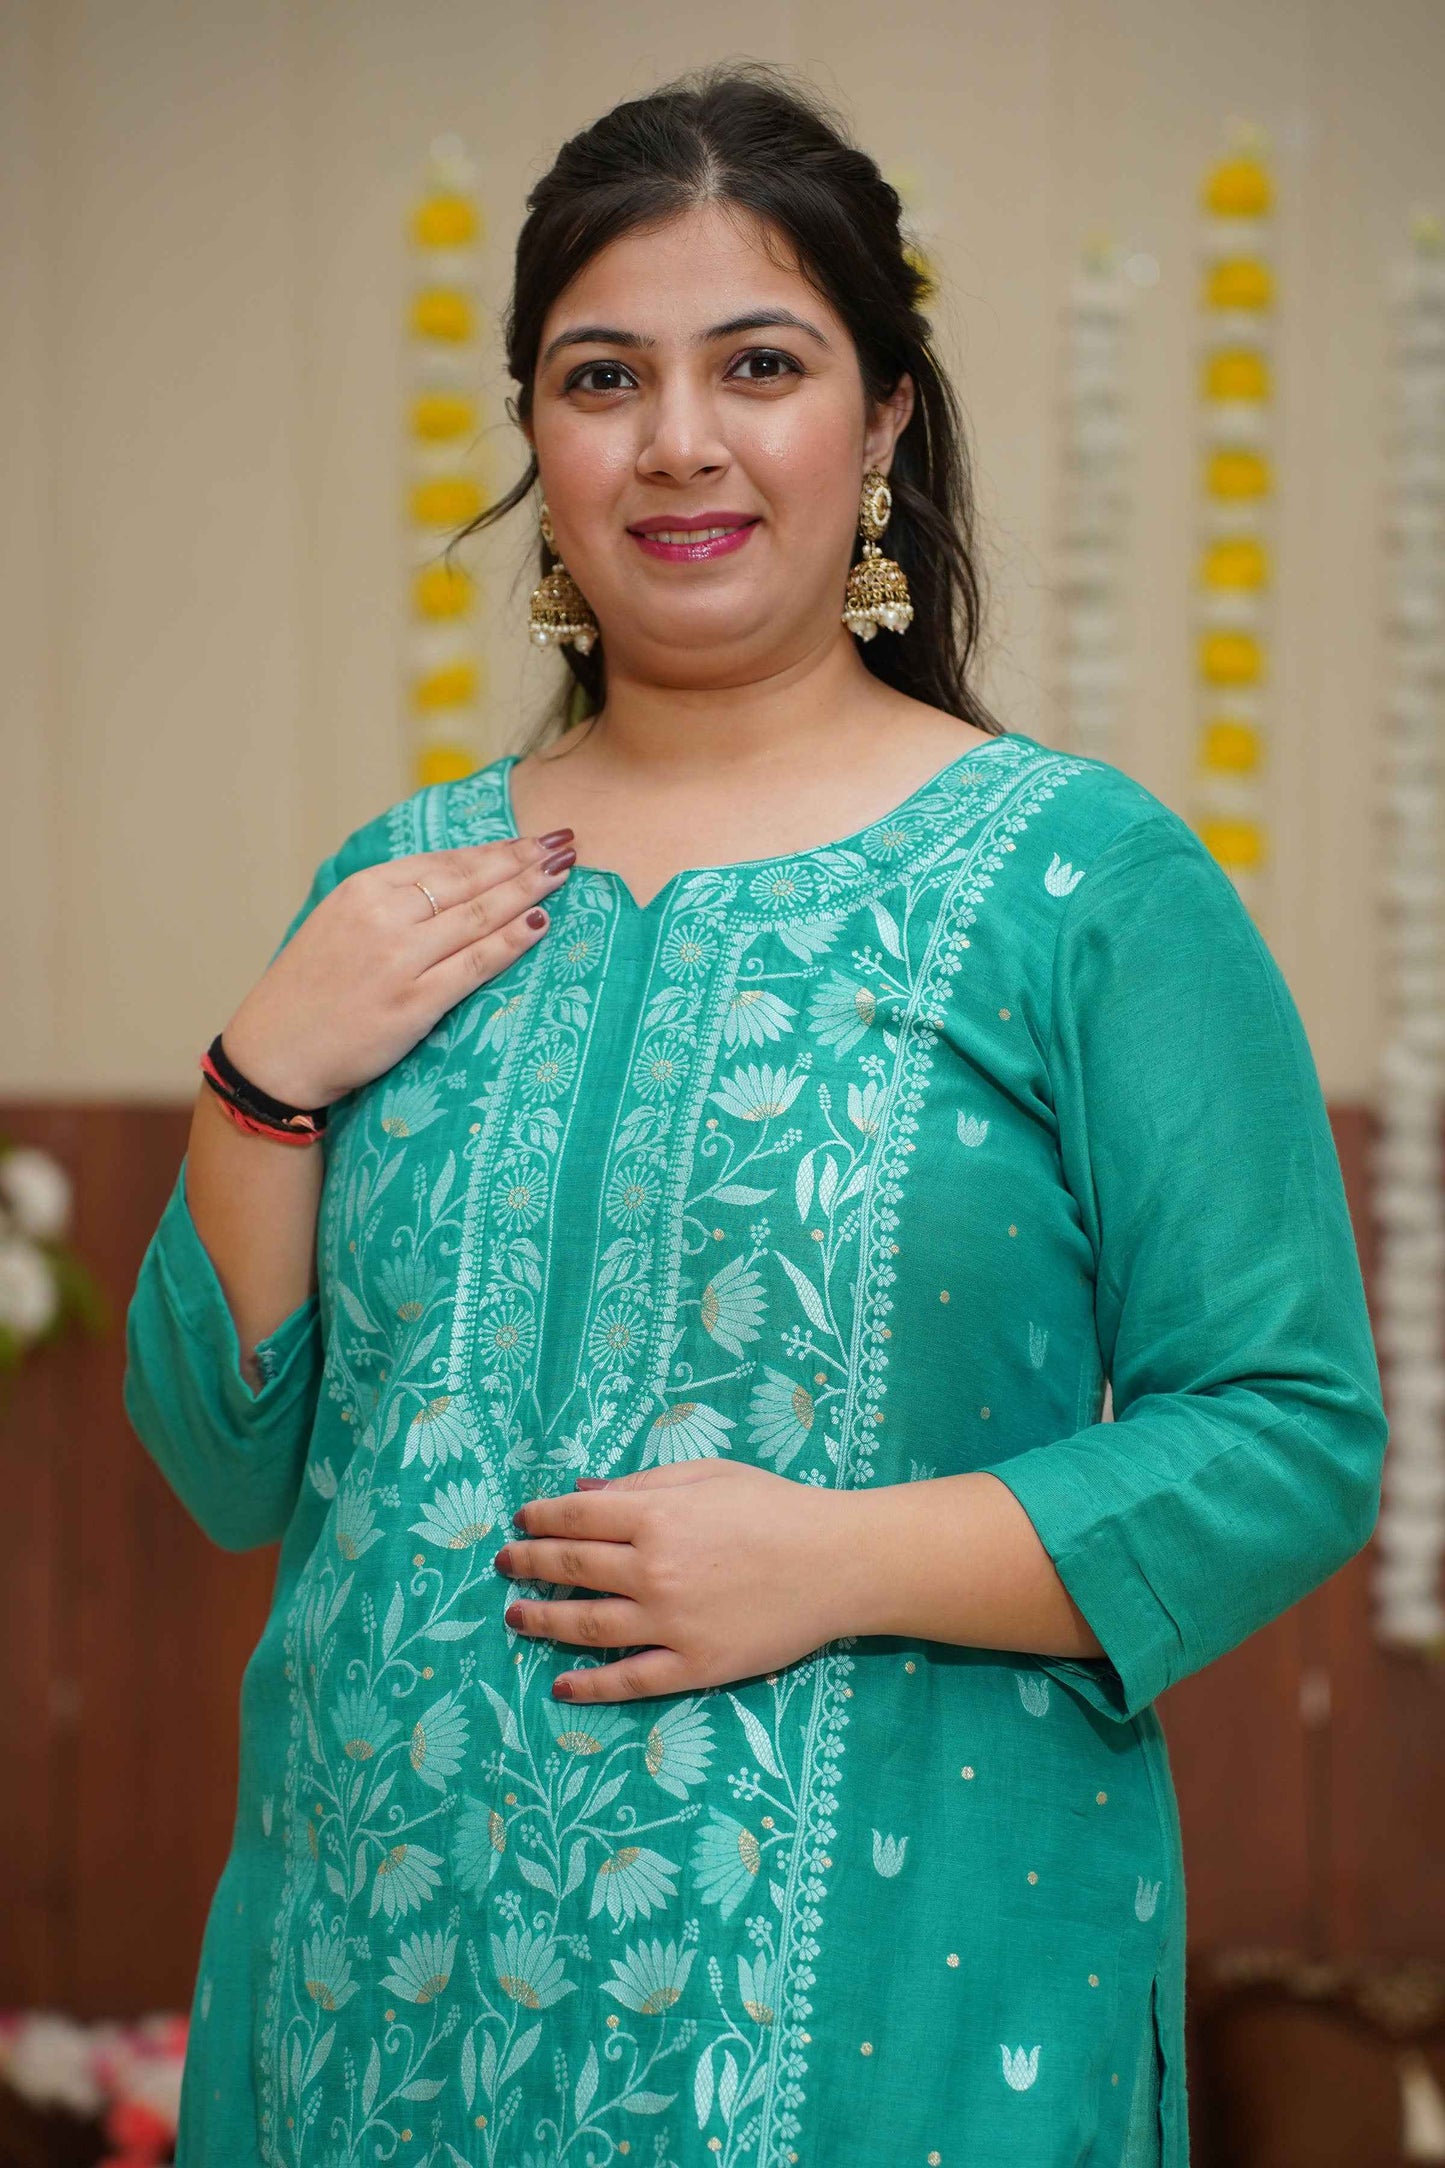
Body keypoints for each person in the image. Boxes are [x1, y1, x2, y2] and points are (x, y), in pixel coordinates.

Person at [123, 61, 1387, 2168]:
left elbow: (1286, 1431)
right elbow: (226, 1464)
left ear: (882, 418)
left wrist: (831, 1558)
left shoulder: (1080, 882)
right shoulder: (404, 890)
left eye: (761, 365)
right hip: (370, 2007)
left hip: (878, 2026)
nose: (678, 441)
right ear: (536, 433)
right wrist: (261, 1080)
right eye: (602, 376)